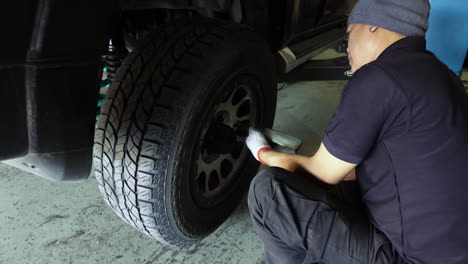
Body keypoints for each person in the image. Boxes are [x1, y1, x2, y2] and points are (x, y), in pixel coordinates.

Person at [245, 0, 468, 263]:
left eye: (349, 33)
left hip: (411, 258)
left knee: (270, 193)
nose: (346, 47)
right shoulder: (444, 76)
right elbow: (381, 166)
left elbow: (320, 174)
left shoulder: (380, 77)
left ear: (373, 25)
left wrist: (263, 151)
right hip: (452, 249)